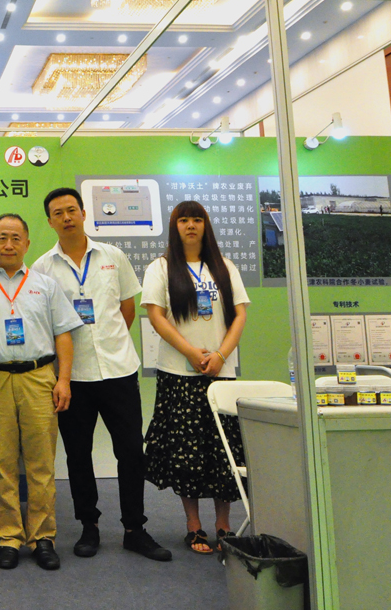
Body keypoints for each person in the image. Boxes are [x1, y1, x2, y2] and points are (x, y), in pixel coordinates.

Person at [32, 188, 171, 562]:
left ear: (83, 213)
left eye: (71, 210)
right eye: (58, 213)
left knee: (131, 452)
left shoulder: (113, 256)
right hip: (72, 376)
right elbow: (46, 323)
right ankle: (88, 526)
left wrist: (108, 342)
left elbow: (127, 308)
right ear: (50, 221)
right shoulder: (43, 268)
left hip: (118, 369)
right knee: (78, 454)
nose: (66, 217)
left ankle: (134, 529)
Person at [0, 214, 81, 571]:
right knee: (1, 462)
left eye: (16, 238)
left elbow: (63, 334)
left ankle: (43, 537)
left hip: (39, 377)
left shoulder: (45, 285)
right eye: (2, 237)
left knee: (40, 462)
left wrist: (63, 380)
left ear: (27, 244)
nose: (9, 244)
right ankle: (8, 537)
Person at [140, 200, 250, 555]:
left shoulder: (225, 267)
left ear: (206, 225)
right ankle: (193, 526)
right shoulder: (160, 268)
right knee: (186, 454)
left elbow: (239, 316)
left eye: (197, 219)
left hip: (221, 373)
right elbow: (156, 316)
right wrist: (190, 352)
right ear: (175, 226)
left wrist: (220, 355)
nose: (191, 225)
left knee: (223, 452)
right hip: (178, 373)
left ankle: (223, 525)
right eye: (184, 220)